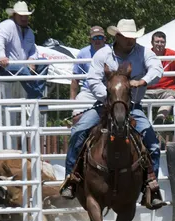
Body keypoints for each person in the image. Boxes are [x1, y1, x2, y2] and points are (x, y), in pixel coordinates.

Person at [60, 19, 166, 209]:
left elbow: (157, 68)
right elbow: (93, 79)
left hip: (132, 106)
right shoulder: (103, 54)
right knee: (79, 131)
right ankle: (72, 179)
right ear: (117, 36)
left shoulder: (143, 52)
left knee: (152, 144)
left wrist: (143, 81)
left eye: (133, 37)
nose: (131, 41)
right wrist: (111, 98)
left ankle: (151, 187)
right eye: (127, 37)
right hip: (105, 105)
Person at [0, 1, 47, 99]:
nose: (24, 18)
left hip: (21, 67)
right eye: (21, 15)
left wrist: (32, 59)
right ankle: (36, 97)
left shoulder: (29, 32)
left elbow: (33, 50)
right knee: (23, 69)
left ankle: (36, 94)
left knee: (44, 63)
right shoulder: (7, 25)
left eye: (26, 15)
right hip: (3, 67)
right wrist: (2, 56)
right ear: (14, 15)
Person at [70, 26, 107, 119]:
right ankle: (76, 133)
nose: (97, 40)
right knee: (76, 117)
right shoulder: (83, 53)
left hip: (108, 91)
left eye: (100, 37)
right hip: (88, 91)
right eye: (94, 38)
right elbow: (75, 79)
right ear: (90, 40)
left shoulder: (112, 51)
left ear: (105, 39)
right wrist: (72, 100)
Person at [145, 31, 175, 124]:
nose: (160, 44)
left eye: (162, 42)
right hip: (148, 90)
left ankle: (160, 119)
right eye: (157, 42)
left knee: (170, 97)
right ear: (152, 43)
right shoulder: (146, 54)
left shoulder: (173, 55)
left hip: (167, 89)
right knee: (135, 98)